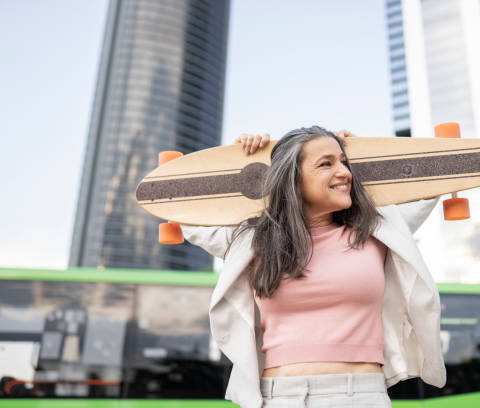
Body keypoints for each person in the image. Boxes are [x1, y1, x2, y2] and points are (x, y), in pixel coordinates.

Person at [182, 126, 446, 408]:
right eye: (326, 164)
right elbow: (186, 214)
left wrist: (370, 156)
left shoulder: (377, 231)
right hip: (280, 397)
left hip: (361, 396)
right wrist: (234, 160)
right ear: (292, 179)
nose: (344, 172)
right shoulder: (255, 241)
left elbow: (428, 185)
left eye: (344, 162)